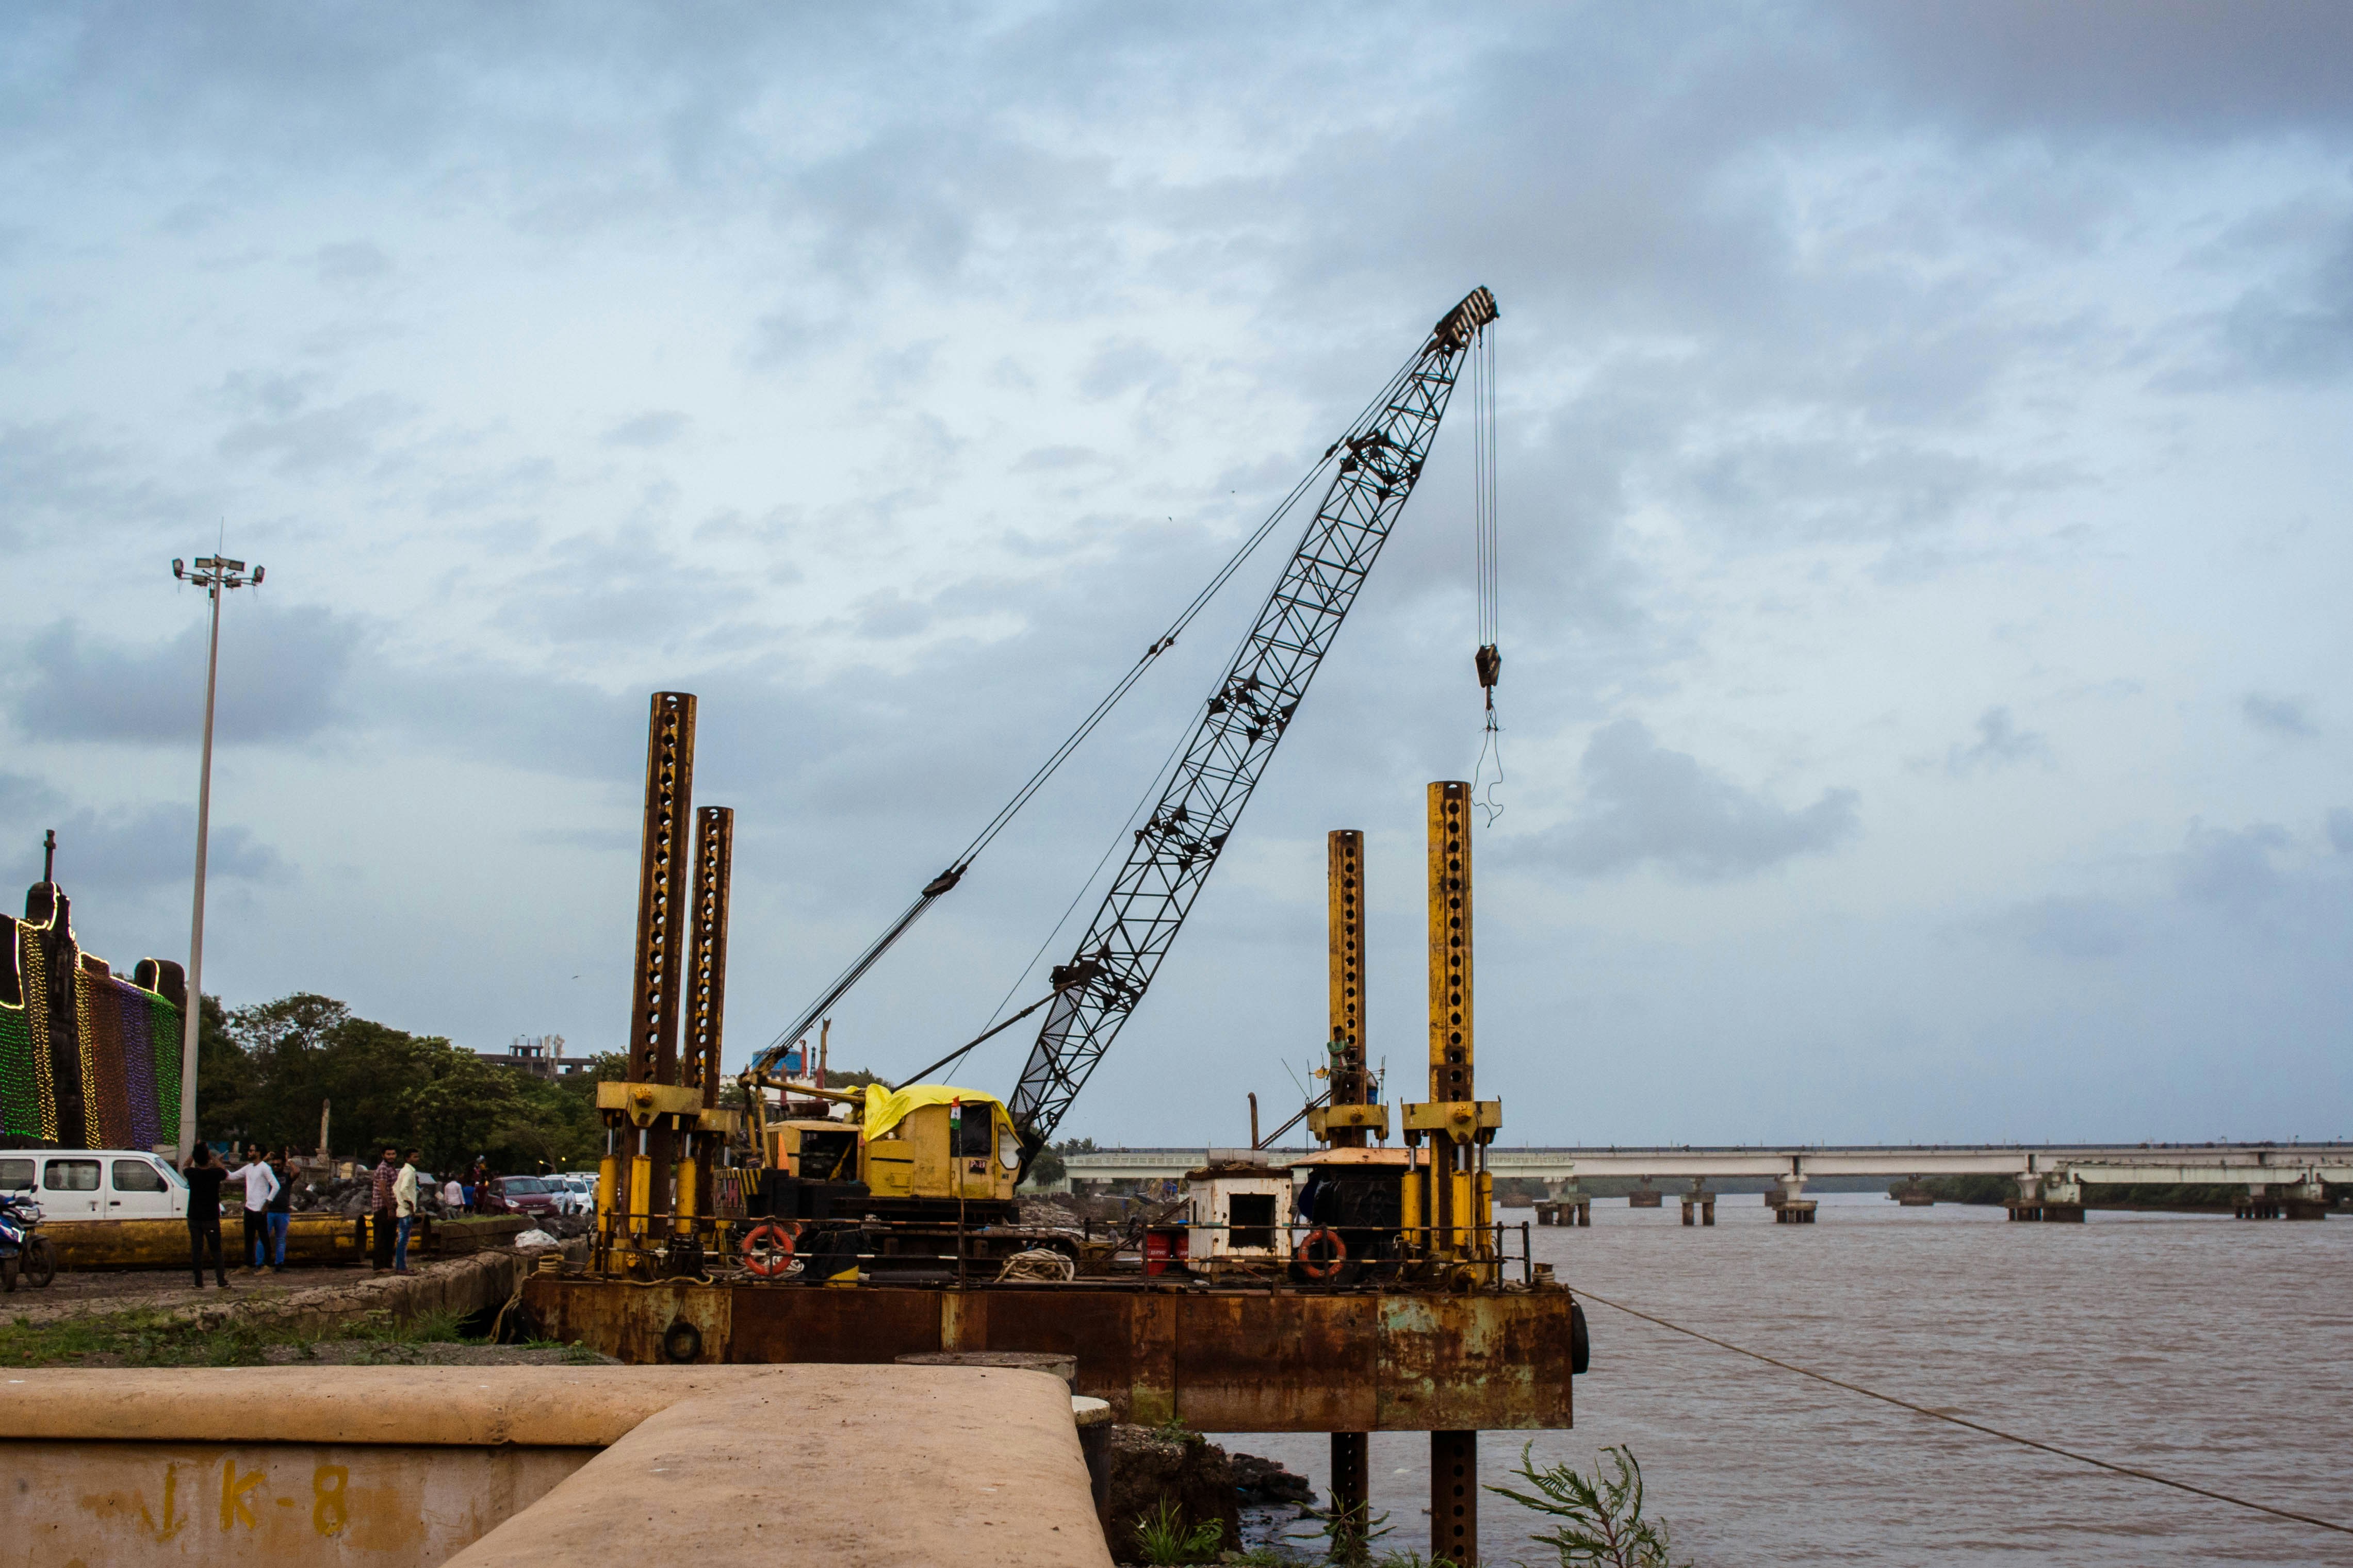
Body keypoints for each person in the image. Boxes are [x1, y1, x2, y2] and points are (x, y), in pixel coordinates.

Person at [182, 1144, 231, 1288]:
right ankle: (221, 1281)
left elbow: (185, 1165)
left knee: (197, 1250)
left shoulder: (192, 1174)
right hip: (211, 1218)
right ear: (208, 1157)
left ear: (196, 1159)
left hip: (194, 1217)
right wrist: (215, 1159)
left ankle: (198, 1282)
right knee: (216, 1250)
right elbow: (225, 1172)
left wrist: (194, 1152)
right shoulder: (215, 1174)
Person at [235, 1142, 277, 1272]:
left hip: (259, 1208)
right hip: (249, 1207)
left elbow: (276, 1186)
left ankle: (268, 1265)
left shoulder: (265, 1168)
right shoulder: (249, 1168)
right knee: (248, 1237)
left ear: (258, 1153)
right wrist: (218, 1165)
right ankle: (248, 1264)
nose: (249, 1152)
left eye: (251, 1150)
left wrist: (267, 1202)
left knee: (264, 1236)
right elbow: (232, 1176)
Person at [265, 1149, 297, 1272]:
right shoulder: (268, 1176)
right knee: (263, 1238)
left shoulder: (287, 1177)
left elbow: (297, 1171)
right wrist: (265, 1159)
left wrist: (290, 1161)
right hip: (269, 1211)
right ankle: (261, 1264)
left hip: (283, 1212)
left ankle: (279, 1264)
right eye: (273, 1165)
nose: (275, 1167)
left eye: (278, 1165)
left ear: (283, 1165)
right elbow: (256, 1170)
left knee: (281, 1239)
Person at [369, 1144, 400, 1272]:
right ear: (383, 1155)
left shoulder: (392, 1169)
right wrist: (390, 1208)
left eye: (393, 1154)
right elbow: (382, 1190)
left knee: (390, 1237)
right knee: (381, 1237)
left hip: (391, 1206)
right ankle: (379, 1267)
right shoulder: (383, 1169)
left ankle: (388, 1264)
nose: (391, 1157)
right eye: (388, 1154)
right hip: (382, 1207)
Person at [393, 1148, 420, 1275]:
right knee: (403, 1240)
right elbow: (403, 1189)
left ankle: (400, 1266)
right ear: (407, 1159)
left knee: (402, 1240)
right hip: (405, 1210)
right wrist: (410, 1204)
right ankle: (402, 1268)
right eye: (414, 1157)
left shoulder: (404, 1171)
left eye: (417, 1157)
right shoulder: (409, 1172)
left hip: (402, 1208)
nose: (417, 1159)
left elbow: (395, 1188)